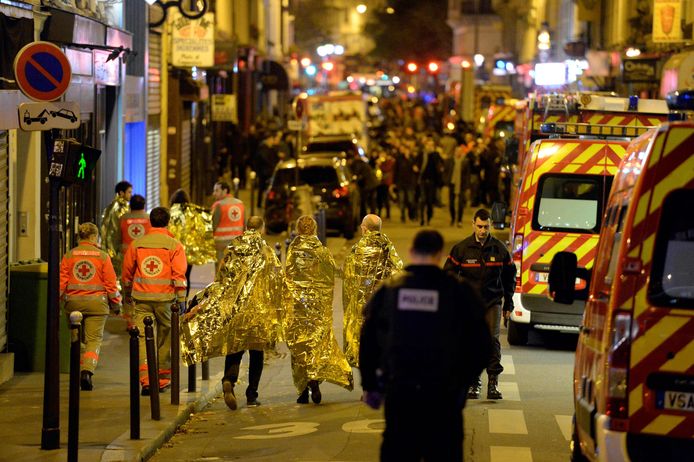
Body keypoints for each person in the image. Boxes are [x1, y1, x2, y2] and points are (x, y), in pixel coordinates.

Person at [360, 229, 492, 462]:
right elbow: (482, 345)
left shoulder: (389, 291)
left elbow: (369, 342)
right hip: (444, 399)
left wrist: (371, 385)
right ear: (440, 255)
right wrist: (462, 381)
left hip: (401, 396)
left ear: (411, 252)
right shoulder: (459, 292)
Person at [180, 216, 285, 410]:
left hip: (234, 308)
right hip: (257, 310)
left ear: (246, 228)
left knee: (235, 347)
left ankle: (229, 380)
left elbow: (221, 277)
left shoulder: (233, 248)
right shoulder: (266, 251)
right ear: (261, 229)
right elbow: (275, 279)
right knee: (256, 353)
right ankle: (252, 395)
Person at [443, 208, 516, 400]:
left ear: (490, 225)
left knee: (492, 341)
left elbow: (510, 279)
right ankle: (473, 383)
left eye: (486, 226)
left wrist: (509, 304)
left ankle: (493, 383)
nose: (483, 230)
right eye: (480, 226)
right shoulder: (461, 249)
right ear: (473, 225)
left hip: (492, 302)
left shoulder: (500, 249)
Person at [285, 215, 353, 404]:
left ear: (298, 230)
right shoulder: (321, 251)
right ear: (315, 229)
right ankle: (315, 380)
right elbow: (333, 271)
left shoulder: (293, 250)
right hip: (318, 308)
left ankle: (302, 389)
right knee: (317, 343)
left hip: (299, 307)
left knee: (300, 345)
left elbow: (288, 277)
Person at [122, 207, 188, 395]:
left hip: (141, 298)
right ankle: (162, 378)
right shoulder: (174, 245)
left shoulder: (137, 244)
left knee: (142, 338)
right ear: (168, 222)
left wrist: (127, 294)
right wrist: (182, 298)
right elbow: (179, 274)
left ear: (150, 222)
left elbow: (127, 273)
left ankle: (146, 380)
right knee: (166, 337)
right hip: (165, 299)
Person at [59, 222, 122, 391]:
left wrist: (57, 303)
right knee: (93, 341)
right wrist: (116, 305)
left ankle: (76, 370)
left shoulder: (69, 256)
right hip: (97, 305)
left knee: (76, 340)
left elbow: (61, 283)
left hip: (73, 304)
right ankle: (87, 371)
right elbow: (111, 284)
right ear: (94, 237)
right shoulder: (102, 256)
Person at [342, 214, 403, 367]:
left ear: (364, 229)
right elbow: (398, 271)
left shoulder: (357, 249)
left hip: (362, 306)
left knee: (364, 341)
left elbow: (348, 277)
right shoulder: (387, 247)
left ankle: (368, 383)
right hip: (382, 303)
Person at [168, 188, 216, 295]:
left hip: (172, 252)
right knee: (186, 277)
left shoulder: (170, 213)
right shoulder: (193, 214)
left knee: (172, 276)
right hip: (187, 254)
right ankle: (183, 301)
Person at [100, 180, 132, 275]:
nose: (131, 195)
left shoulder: (111, 206)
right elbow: (115, 231)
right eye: (129, 192)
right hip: (116, 250)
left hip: (110, 249)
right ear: (121, 193)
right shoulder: (120, 209)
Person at [211, 181, 245, 265]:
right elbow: (244, 224)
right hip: (237, 243)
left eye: (217, 191)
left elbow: (213, 225)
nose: (214, 193)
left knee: (221, 269)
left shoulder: (218, 205)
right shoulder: (240, 204)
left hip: (221, 244)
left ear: (225, 191)